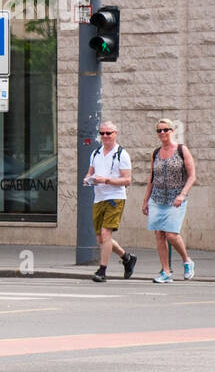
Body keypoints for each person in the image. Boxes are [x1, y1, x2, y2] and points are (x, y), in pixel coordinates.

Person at [83, 120, 138, 282]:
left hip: (115, 198)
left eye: (109, 133)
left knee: (106, 234)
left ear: (115, 134)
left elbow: (127, 180)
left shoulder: (122, 154)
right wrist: (88, 179)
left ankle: (102, 270)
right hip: (99, 197)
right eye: (102, 133)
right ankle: (127, 258)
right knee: (101, 238)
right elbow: (90, 173)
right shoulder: (96, 153)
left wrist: (107, 180)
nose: (105, 136)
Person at [143, 118, 197, 282]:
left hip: (176, 198)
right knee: (159, 234)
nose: (162, 133)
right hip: (157, 198)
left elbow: (192, 176)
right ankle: (166, 272)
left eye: (165, 130)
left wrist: (182, 194)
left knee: (172, 235)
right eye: (159, 131)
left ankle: (187, 261)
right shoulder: (156, 153)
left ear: (172, 131)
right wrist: (145, 201)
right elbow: (152, 178)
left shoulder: (182, 150)